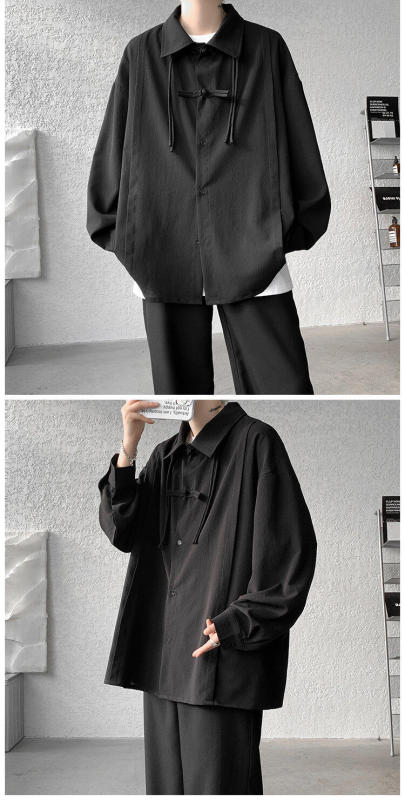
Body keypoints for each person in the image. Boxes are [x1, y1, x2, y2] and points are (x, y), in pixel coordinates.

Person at [87, 2, 331, 394]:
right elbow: (114, 148)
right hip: (162, 253)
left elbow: (299, 139)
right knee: (182, 399)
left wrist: (279, 232)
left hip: (255, 250)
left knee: (284, 386)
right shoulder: (141, 54)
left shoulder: (266, 48)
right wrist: (129, 236)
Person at [98, 399, 317, 794]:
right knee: (167, 788)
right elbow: (122, 531)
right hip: (163, 659)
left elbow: (288, 551)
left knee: (220, 786)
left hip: (220, 655)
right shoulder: (165, 455)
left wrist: (236, 624)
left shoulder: (256, 442)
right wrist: (129, 446)